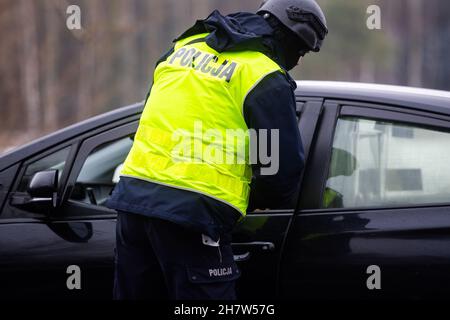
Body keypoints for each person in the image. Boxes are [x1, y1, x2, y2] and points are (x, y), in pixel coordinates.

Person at [106, 0, 328, 300]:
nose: (297, 61)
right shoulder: (264, 75)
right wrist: (256, 201)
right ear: (287, 36)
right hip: (194, 215)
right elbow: (281, 170)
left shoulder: (184, 47)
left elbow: (151, 118)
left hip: (133, 203)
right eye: (300, 50)